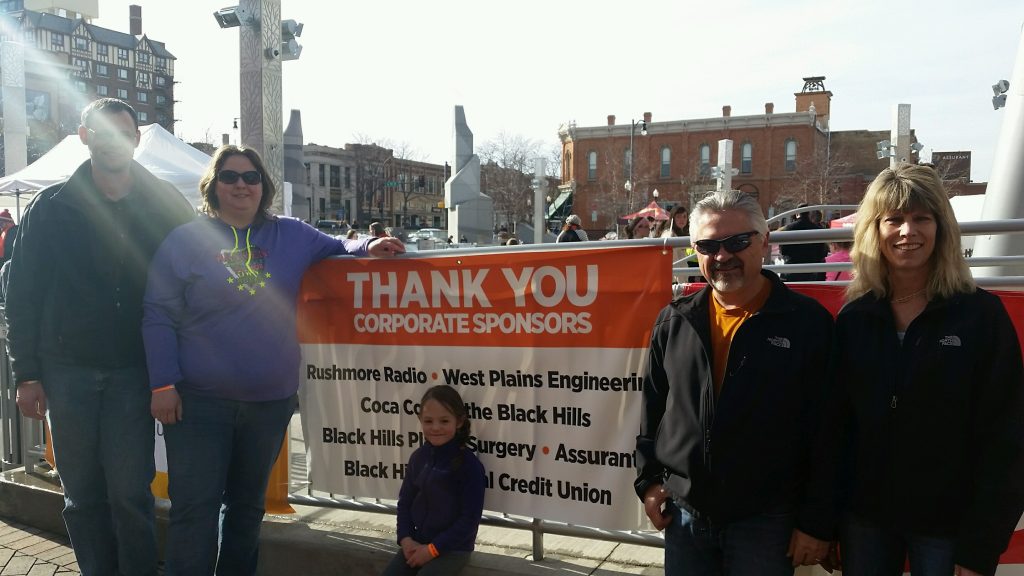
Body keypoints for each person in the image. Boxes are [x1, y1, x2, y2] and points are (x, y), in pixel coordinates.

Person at [143, 144, 404, 575]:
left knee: (246, 509)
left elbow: (340, 243)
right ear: (214, 186)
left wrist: (372, 242)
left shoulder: (292, 234)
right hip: (199, 404)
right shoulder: (185, 239)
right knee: (195, 509)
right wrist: (162, 383)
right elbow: (158, 313)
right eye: (230, 177)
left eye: (251, 177)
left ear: (263, 186)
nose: (241, 185)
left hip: (269, 403)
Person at [4, 98, 196, 576]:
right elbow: (22, 294)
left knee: (131, 495)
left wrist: (353, 245)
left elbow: (206, 261)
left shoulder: (166, 203)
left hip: (135, 371)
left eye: (123, 132)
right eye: (102, 131)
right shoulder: (51, 208)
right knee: (82, 497)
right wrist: (26, 374)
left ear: (135, 139)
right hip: (66, 372)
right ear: (85, 137)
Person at [805, 163, 1024, 576]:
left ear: (941, 228)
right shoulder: (856, 318)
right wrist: (826, 521)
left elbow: (1006, 436)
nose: (908, 232)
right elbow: (834, 429)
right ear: (875, 230)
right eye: (895, 220)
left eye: (921, 218)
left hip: (949, 525)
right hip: (864, 520)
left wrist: (981, 544)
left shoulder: (980, 316)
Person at [635, 189, 834, 574]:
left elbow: (829, 430)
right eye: (709, 245)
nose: (722, 256)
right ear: (695, 250)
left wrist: (816, 522)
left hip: (767, 521)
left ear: (765, 243)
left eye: (737, 242)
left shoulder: (807, 324)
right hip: (686, 516)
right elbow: (652, 410)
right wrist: (648, 482)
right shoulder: (675, 321)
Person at [382, 385, 486, 576]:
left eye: (444, 420)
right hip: (417, 543)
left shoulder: (469, 466)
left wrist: (432, 550)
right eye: (428, 421)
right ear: (420, 420)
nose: (436, 427)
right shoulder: (418, 458)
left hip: (453, 550)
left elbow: (469, 521)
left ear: (459, 421)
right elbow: (405, 503)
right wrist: (405, 539)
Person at [779, 203, 829, 281]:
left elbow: (783, 251)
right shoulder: (817, 230)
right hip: (812, 273)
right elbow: (822, 252)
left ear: (797, 214)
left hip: (791, 272)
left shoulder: (788, 229)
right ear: (809, 213)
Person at [657, 205, 698, 282]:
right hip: (674, 279)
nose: (682, 219)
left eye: (684, 216)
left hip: (681, 275)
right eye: (678, 216)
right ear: (673, 218)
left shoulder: (682, 233)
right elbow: (671, 259)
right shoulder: (669, 233)